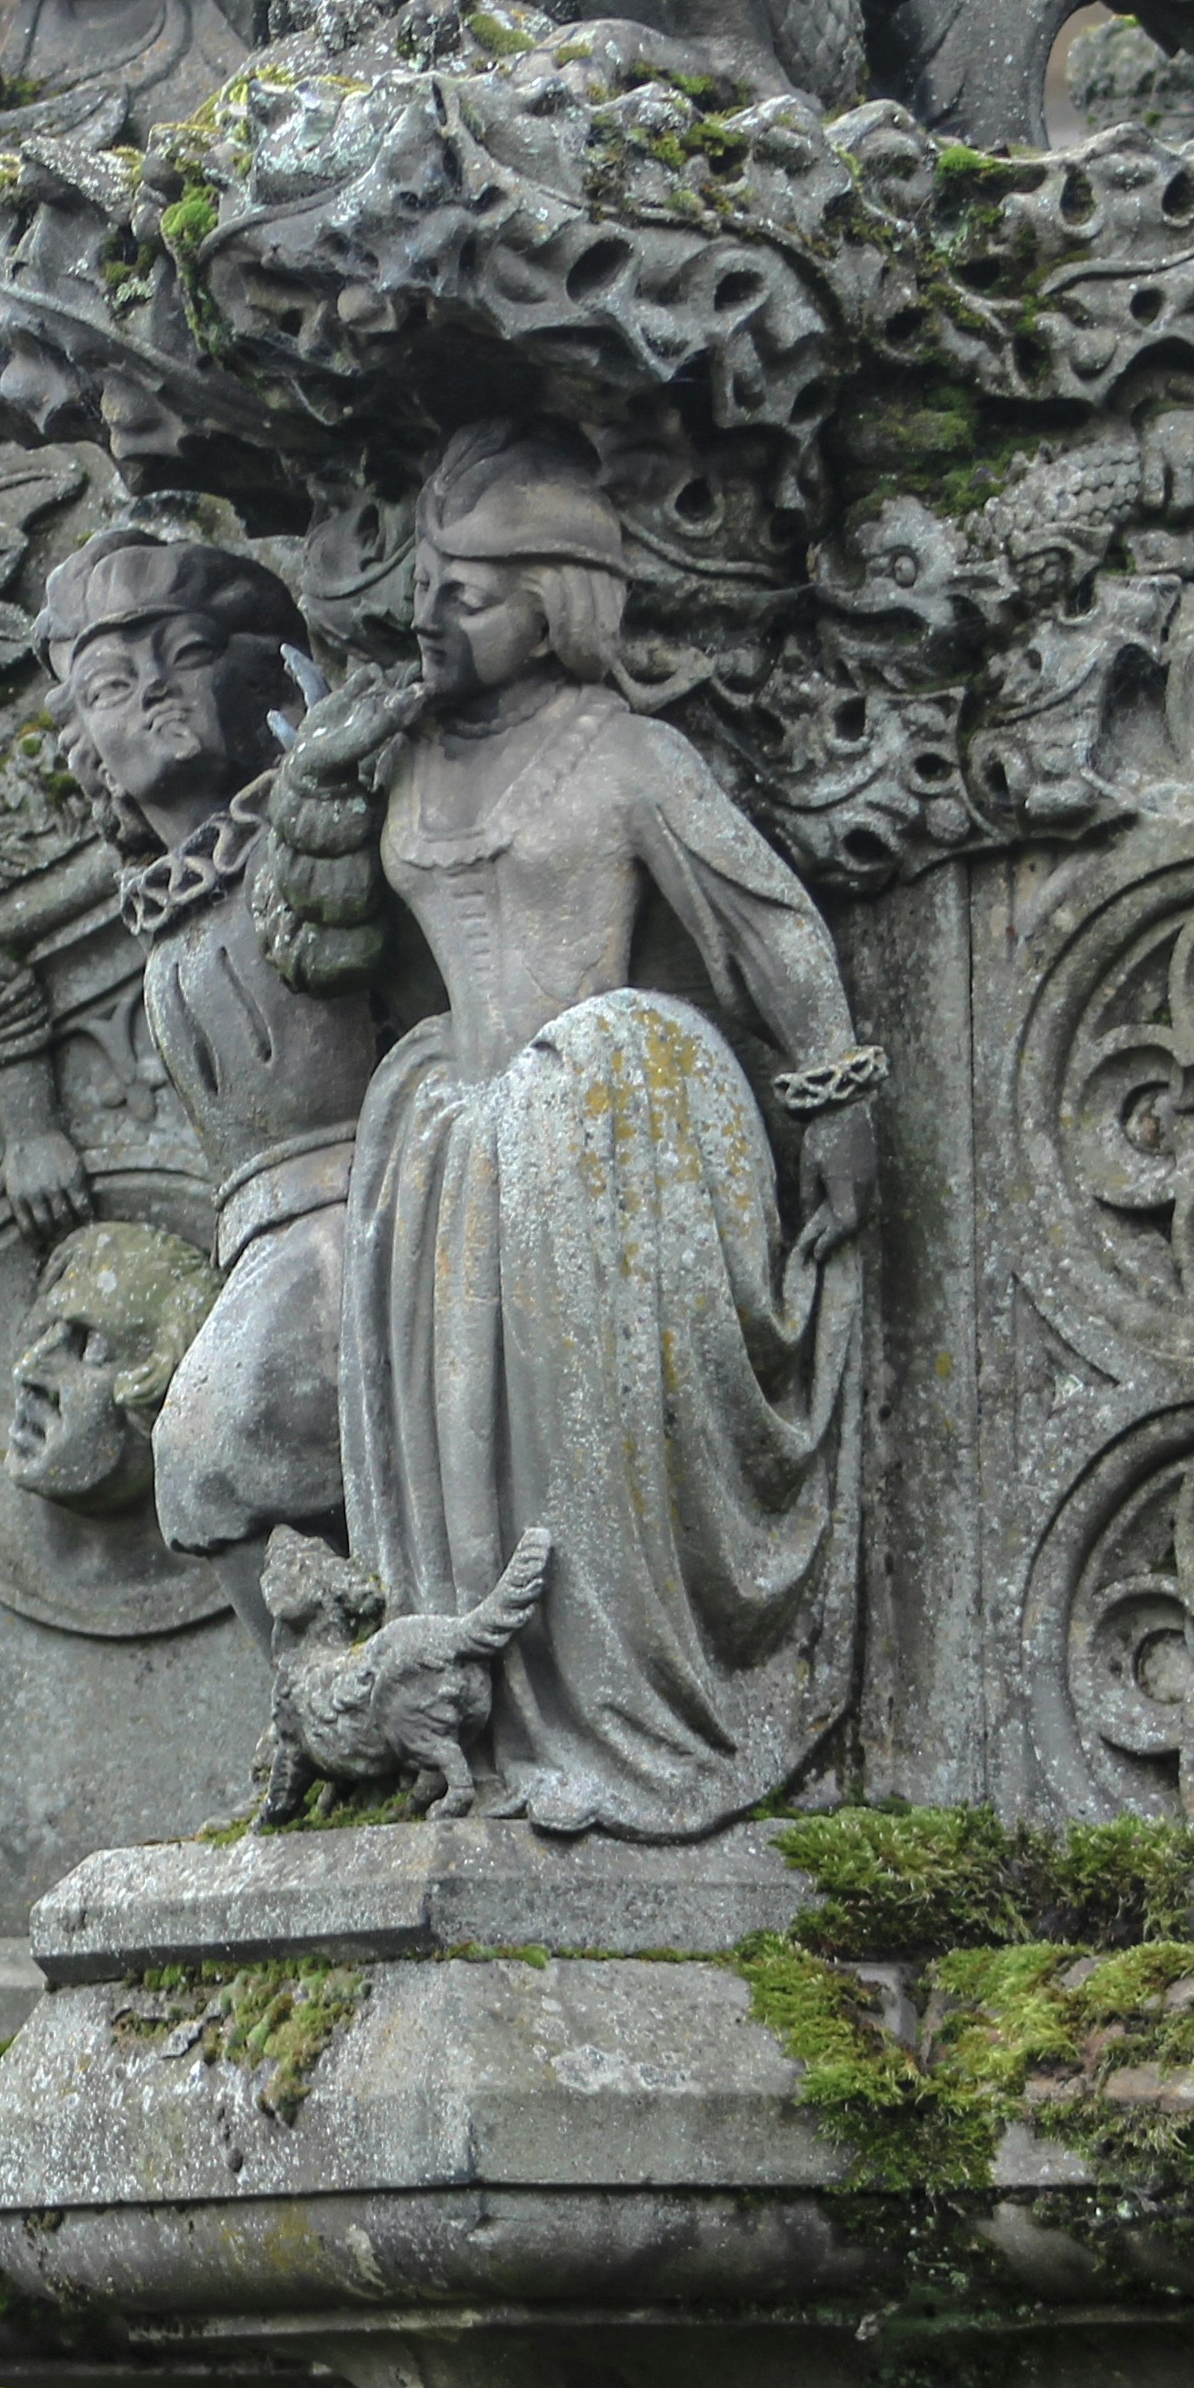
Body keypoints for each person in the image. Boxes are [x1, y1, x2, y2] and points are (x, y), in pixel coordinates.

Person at [261, 415, 884, 1835]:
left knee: (587, 1461)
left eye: (467, 592)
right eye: (427, 581)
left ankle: (615, 1717)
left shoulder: (625, 758)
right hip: (446, 1147)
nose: (430, 614)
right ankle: (482, 1714)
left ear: (556, 608)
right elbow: (323, 951)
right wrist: (317, 787)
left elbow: (767, 923)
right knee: (463, 1456)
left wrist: (835, 1087)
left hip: (607, 1132)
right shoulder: (408, 761)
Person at [36, 528, 394, 1579]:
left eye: (183, 657)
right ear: (87, 747)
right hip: (261, 1240)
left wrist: (323, 784)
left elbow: (339, 937)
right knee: (201, 1463)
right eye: (108, 683)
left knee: (208, 1455)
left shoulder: (296, 834)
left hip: (362, 1213)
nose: (150, 691)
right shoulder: (168, 907)